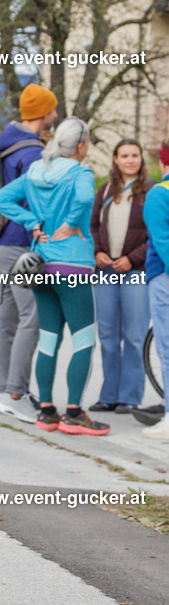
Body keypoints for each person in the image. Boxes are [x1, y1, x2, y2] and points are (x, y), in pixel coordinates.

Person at [0, 118, 110, 436]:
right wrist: (72, 224)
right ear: (82, 145)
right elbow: (85, 199)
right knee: (83, 340)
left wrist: (32, 222)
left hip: (41, 266)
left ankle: (45, 411)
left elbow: (0, 200)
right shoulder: (80, 172)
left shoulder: (36, 171)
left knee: (49, 340)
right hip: (73, 267)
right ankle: (73, 413)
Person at [0, 83, 58, 422]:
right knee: (32, 316)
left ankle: (1, 391)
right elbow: (33, 200)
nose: (55, 115)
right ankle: (15, 392)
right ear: (43, 113)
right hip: (18, 245)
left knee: (5, 318)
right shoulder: (31, 152)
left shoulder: (4, 142)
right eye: (52, 110)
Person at [89, 140, 153, 413]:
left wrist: (132, 258)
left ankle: (129, 397)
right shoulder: (104, 190)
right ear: (115, 159)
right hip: (105, 271)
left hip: (135, 272)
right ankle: (109, 395)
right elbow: (91, 226)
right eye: (124, 155)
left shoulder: (151, 191)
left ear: (141, 159)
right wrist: (97, 252)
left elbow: (156, 234)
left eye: (134, 155)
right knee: (108, 335)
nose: (130, 160)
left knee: (135, 336)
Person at [140, 138, 169, 442]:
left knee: (167, 350)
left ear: (163, 162)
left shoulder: (159, 193)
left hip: (164, 278)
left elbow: (163, 243)